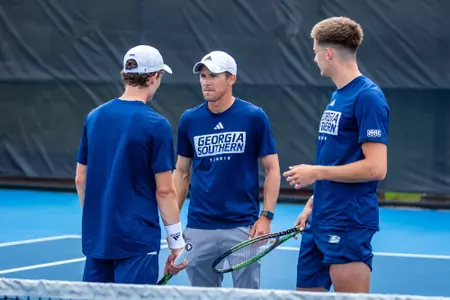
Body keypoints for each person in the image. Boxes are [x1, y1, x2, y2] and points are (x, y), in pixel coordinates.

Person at [283, 17, 390, 293]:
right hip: (321, 217)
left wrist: (315, 172)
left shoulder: (368, 97)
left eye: (316, 51)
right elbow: (339, 159)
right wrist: (314, 201)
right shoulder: (337, 96)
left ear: (328, 53)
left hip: (348, 221)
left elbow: (376, 168)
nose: (315, 58)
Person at [168, 50, 281, 289]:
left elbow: (272, 170)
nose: (206, 82)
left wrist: (266, 216)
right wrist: (174, 226)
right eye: (203, 75)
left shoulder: (254, 117)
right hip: (198, 229)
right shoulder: (190, 120)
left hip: (243, 228)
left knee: (246, 296)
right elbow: (181, 173)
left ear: (231, 79)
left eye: (214, 76)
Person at [75, 45, 185, 285]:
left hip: (98, 239)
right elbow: (165, 190)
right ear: (154, 77)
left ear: (124, 74)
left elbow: (80, 179)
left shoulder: (93, 117)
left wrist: (99, 219)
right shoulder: (157, 125)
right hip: (137, 242)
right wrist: (176, 242)